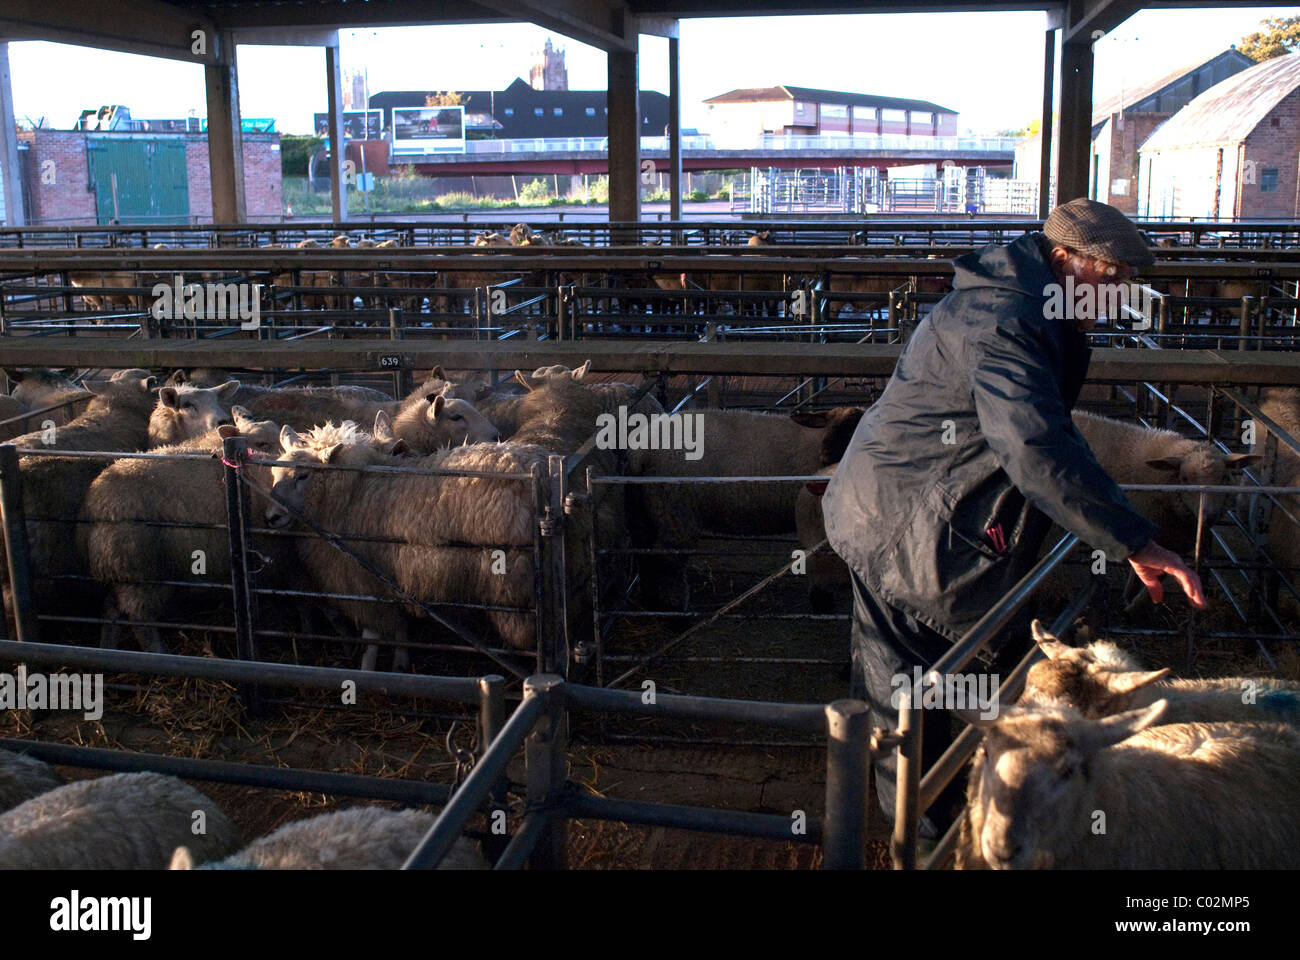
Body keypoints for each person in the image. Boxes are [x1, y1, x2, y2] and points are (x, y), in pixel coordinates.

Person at [821, 198, 1206, 827]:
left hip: (928, 512)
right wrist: (1134, 540)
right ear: (1064, 261)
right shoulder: (1007, 319)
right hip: (905, 527)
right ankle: (922, 841)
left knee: (939, 688)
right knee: (908, 708)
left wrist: (1121, 528)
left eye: (1128, 282)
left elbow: (1045, 428)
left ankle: (950, 818)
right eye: (1112, 278)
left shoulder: (1027, 303)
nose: (1121, 295)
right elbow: (1033, 443)